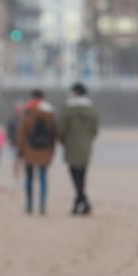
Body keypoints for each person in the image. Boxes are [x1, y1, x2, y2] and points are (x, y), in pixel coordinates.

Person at [59, 83, 99, 215]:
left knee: (75, 175)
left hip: (71, 146)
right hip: (86, 146)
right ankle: (81, 202)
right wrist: (87, 139)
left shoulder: (68, 109)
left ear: (75, 93)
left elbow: (61, 128)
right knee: (82, 175)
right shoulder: (91, 110)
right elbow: (95, 130)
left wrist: (63, 141)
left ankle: (82, 201)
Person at [17, 89, 57, 215]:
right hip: (44, 150)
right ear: (43, 97)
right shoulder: (49, 111)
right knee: (43, 178)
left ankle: (29, 205)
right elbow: (54, 132)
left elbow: (22, 133)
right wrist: (52, 149)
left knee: (29, 178)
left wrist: (20, 151)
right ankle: (42, 205)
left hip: (29, 149)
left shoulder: (28, 111)